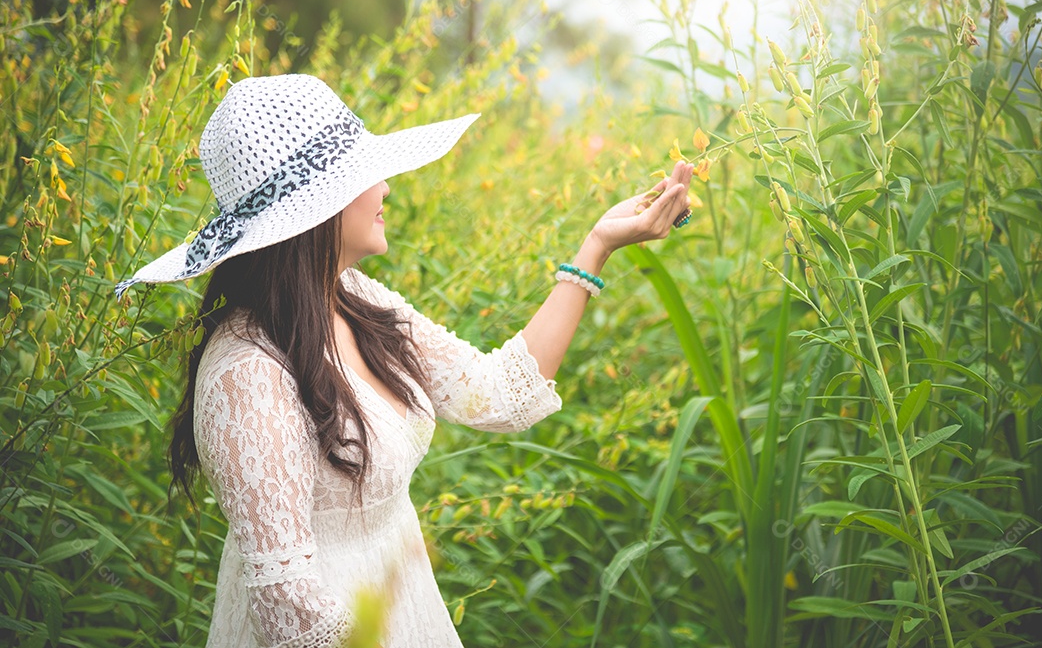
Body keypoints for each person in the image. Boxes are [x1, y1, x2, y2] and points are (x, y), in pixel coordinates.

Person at [115, 74, 694, 648]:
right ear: (315, 210)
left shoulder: (353, 297)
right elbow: (288, 606)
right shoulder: (248, 372)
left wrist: (598, 244)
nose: (386, 187)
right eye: (365, 174)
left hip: (405, 614)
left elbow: (497, 394)